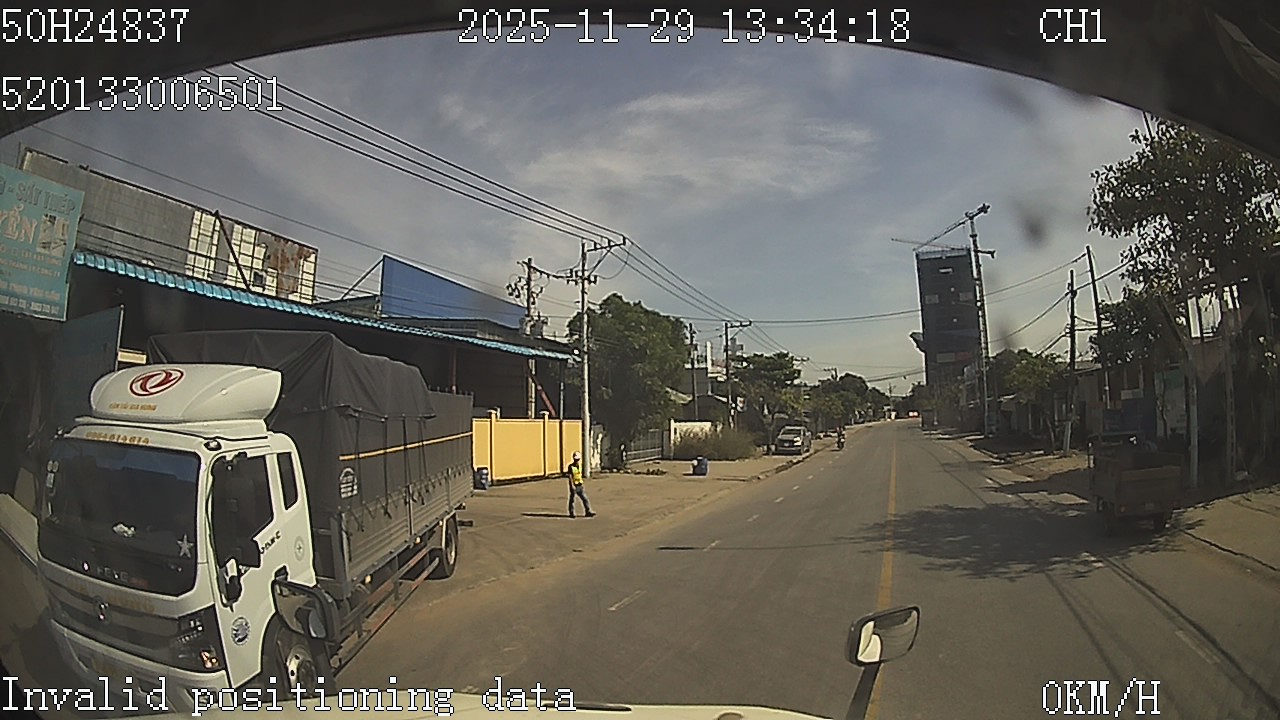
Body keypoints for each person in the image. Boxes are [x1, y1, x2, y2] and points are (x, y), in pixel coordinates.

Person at [567, 451, 595, 518]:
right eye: (575, 459)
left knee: (585, 498)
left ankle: (588, 511)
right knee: (572, 500)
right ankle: (571, 513)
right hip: (574, 485)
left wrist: (582, 483)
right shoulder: (570, 467)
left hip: (580, 485)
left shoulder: (580, 466)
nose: (576, 461)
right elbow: (570, 477)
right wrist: (572, 485)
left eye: (578, 459)